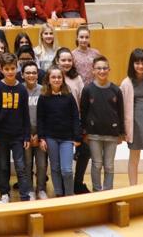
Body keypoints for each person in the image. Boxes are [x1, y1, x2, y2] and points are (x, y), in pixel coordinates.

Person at [0, 53, 31, 203]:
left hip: (18, 135)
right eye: (6, 69)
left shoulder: (21, 89)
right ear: (1, 69)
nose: (10, 71)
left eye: (13, 68)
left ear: (17, 68)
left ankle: (25, 195)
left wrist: (26, 135)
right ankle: (4, 193)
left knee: (20, 166)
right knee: (3, 166)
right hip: (1, 136)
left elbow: (25, 114)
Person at [80, 56, 124, 192]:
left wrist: (121, 133)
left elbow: (121, 112)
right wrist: (84, 132)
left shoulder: (116, 90)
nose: (102, 71)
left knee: (109, 165)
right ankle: (97, 191)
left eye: (105, 68)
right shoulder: (88, 90)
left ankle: (108, 191)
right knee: (97, 164)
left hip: (112, 134)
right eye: (99, 68)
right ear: (93, 71)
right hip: (94, 134)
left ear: (109, 70)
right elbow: (84, 111)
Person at [37, 65, 81, 197]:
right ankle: (59, 194)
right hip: (51, 138)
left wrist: (77, 137)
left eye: (59, 77)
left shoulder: (68, 97)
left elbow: (75, 117)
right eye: (53, 77)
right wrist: (41, 138)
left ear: (63, 79)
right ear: (48, 79)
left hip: (67, 138)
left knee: (66, 170)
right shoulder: (43, 97)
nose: (56, 80)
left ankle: (69, 195)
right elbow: (40, 119)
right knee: (55, 168)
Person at [53, 47, 89, 194]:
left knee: (85, 152)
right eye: (63, 60)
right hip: (58, 124)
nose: (66, 63)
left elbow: (82, 101)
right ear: (57, 61)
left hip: (75, 123)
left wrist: (82, 126)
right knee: (62, 159)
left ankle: (78, 183)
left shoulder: (77, 78)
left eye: (69, 60)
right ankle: (62, 185)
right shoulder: (52, 76)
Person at [120, 49, 143, 185]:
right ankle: (133, 188)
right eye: (137, 62)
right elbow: (121, 109)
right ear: (132, 64)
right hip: (135, 124)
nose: (140, 66)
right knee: (134, 158)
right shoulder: (126, 83)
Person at [22, 61, 48, 200]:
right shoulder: (19, 90)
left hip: (40, 134)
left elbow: (46, 115)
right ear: (22, 75)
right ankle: (29, 189)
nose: (31, 75)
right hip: (25, 135)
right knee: (26, 164)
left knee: (42, 164)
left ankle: (41, 189)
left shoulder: (43, 90)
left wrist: (39, 135)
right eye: (28, 73)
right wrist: (27, 135)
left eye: (33, 72)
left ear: (37, 75)